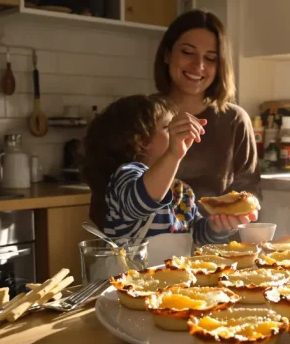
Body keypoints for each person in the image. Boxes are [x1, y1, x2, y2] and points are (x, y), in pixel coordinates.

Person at [82, 95, 258, 264]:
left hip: (171, 287)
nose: (177, 134)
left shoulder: (181, 191)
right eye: (168, 128)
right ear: (141, 142)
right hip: (126, 286)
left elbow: (197, 234)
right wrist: (174, 154)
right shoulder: (126, 176)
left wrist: (216, 226)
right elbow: (141, 200)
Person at [152, 9, 261, 211]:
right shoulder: (143, 115)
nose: (198, 65)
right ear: (167, 54)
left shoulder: (235, 120)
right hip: (152, 241)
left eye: (210, 58)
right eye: (187, 52)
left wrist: (230, 221)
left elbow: (250, 193)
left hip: (219, 241)